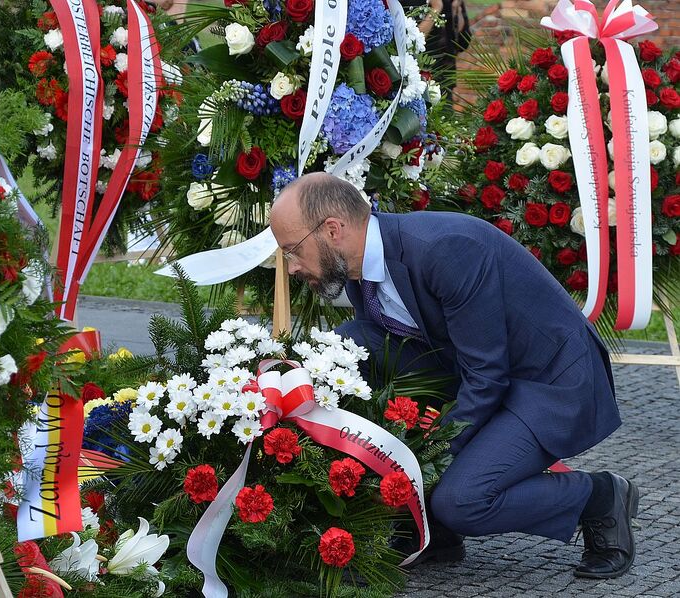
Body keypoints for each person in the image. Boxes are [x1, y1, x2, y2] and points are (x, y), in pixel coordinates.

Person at [269, 172, 638, 580]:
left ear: (332, 230)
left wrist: (425, 461)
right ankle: (432, 532)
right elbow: (373, 339)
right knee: (357, 356)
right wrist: (299, 370)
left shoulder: (445, 249)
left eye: (292, 250)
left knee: (463, 501)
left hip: (547, 379)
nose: (292, 267)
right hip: (480, 373)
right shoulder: (360, 272)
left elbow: (486, 375)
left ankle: (599, 496)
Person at [401, 0, 472, 98]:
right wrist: (436, 9)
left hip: (445, 81)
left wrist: (456, 10)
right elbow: (410, 42)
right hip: (416, 80)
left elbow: (463, 43)